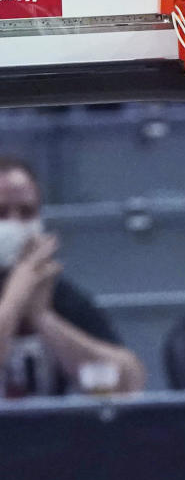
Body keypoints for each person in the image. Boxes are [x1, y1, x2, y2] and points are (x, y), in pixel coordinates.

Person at [0, 158, 145, 398]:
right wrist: (16, 294)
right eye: (1, 213)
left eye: (26, 213)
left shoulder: (55, 294)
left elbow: (129, 383)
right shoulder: (27, 284)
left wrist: (44, 318)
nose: (15, 223)